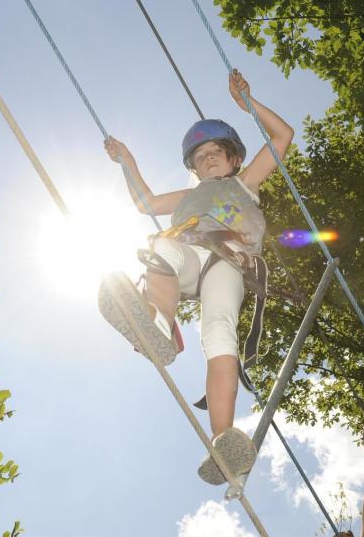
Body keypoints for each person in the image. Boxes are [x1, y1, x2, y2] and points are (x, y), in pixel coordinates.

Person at [99, 70, 294, 484]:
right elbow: (146, 202)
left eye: (216, 152)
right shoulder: (187, 196)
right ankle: (157, 321)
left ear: (234, 158)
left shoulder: (245, 181)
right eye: (200, 155)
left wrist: (250, 104)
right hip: (190, 256)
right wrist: (127, 160)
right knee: (162, 247)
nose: (208, 158)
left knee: (220, 331)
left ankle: (223, 438)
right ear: (192, 165)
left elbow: (282, 138)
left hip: (230, 261)